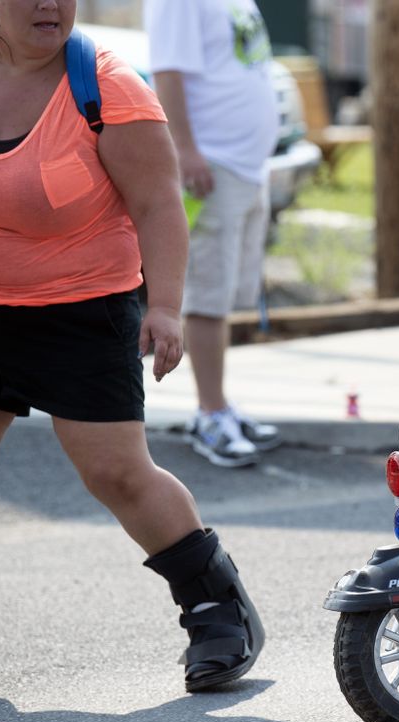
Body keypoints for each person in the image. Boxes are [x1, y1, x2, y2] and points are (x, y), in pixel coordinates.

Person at [0, 0, 263, 691]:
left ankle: (218, 608)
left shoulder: (106, 88)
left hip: (80, 311)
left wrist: (163, 306)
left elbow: (159, 204)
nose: (50, 4)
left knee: (117, 475)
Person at [144, 0, 282, 468]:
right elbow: (167, 72)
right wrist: (184, 150)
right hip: (212, 166)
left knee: (226, 299)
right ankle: (210, 413)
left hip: (245, 167)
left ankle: (220, 402)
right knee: (207, 298)